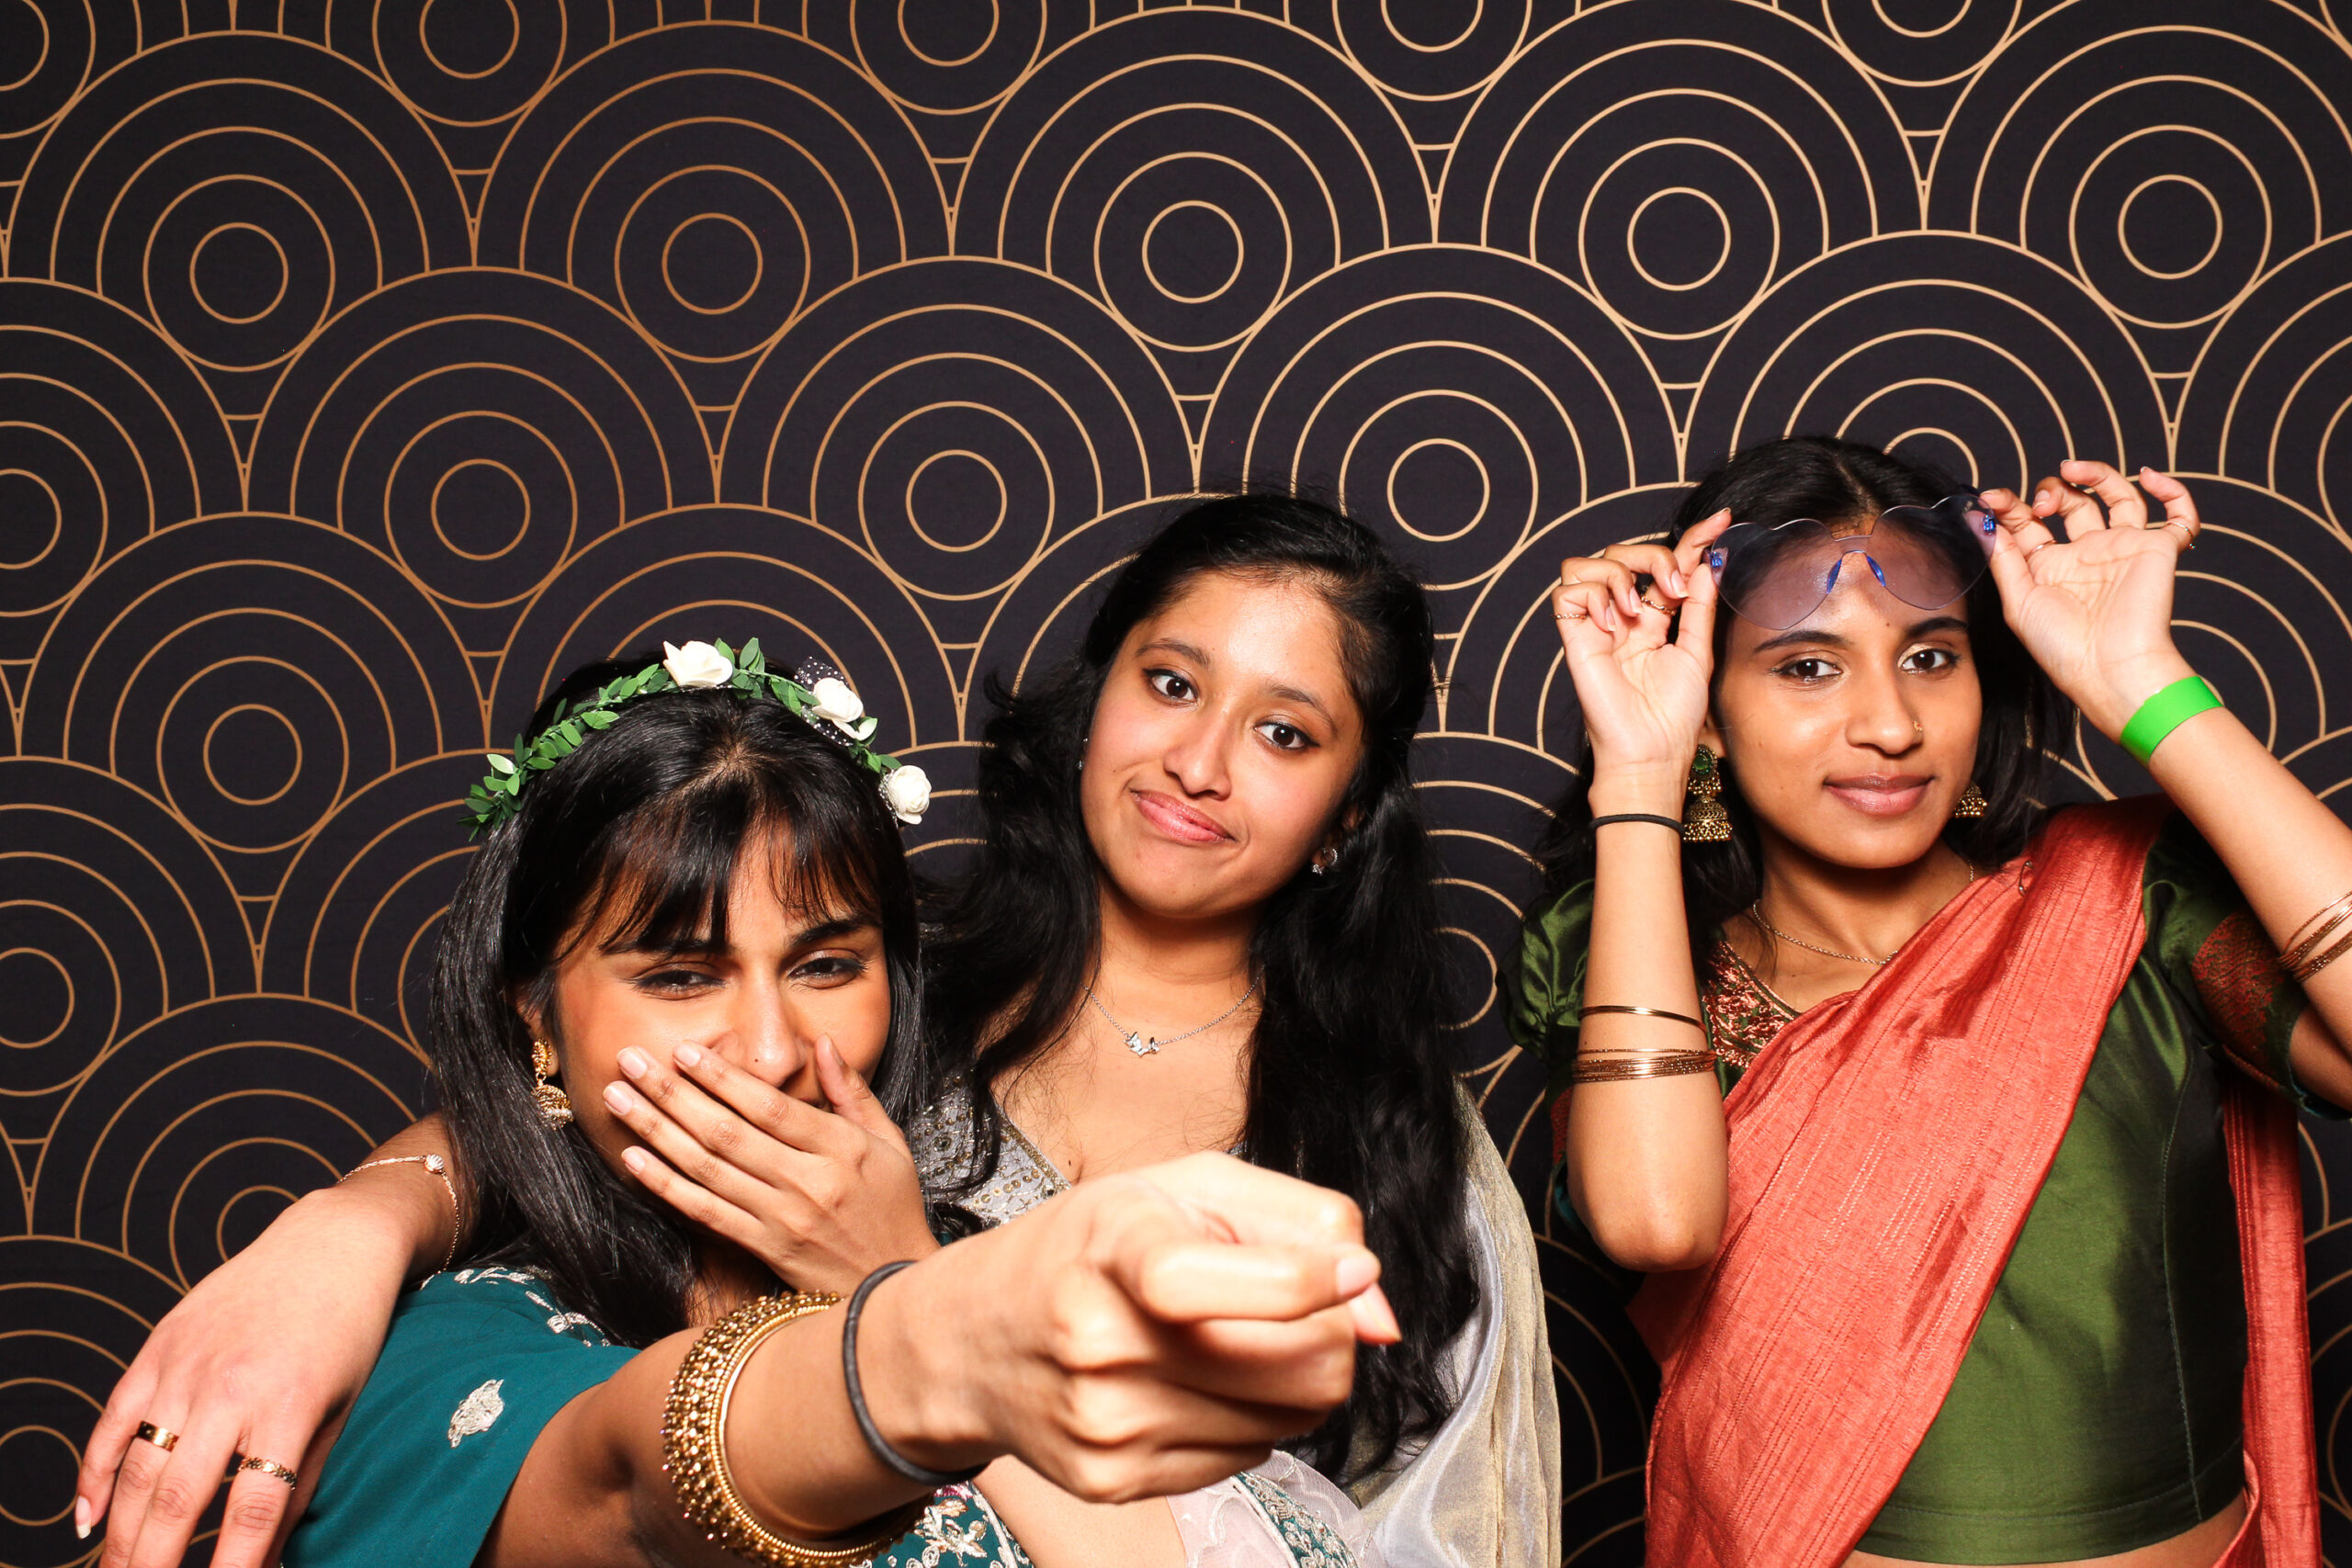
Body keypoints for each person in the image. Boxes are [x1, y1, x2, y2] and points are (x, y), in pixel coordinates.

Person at [77, 495, 1556, 1568]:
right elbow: (619, 1376)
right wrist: (349, 1225)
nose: (1199, 759)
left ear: (1347, 813)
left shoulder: (1399, 1143)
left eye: (1286, 731)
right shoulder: (924, 999)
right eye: (1171, 682)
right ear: (1096, 696)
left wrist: (899, 1275)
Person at [1513, 435, 2352, 1568]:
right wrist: (1637, 779)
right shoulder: (1632, 958)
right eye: (1807, 668)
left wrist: (2145, 687)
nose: (1891, 725)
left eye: (1929, 657)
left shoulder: (2128, 902)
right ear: (1706, 707)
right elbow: (1656, 1225)